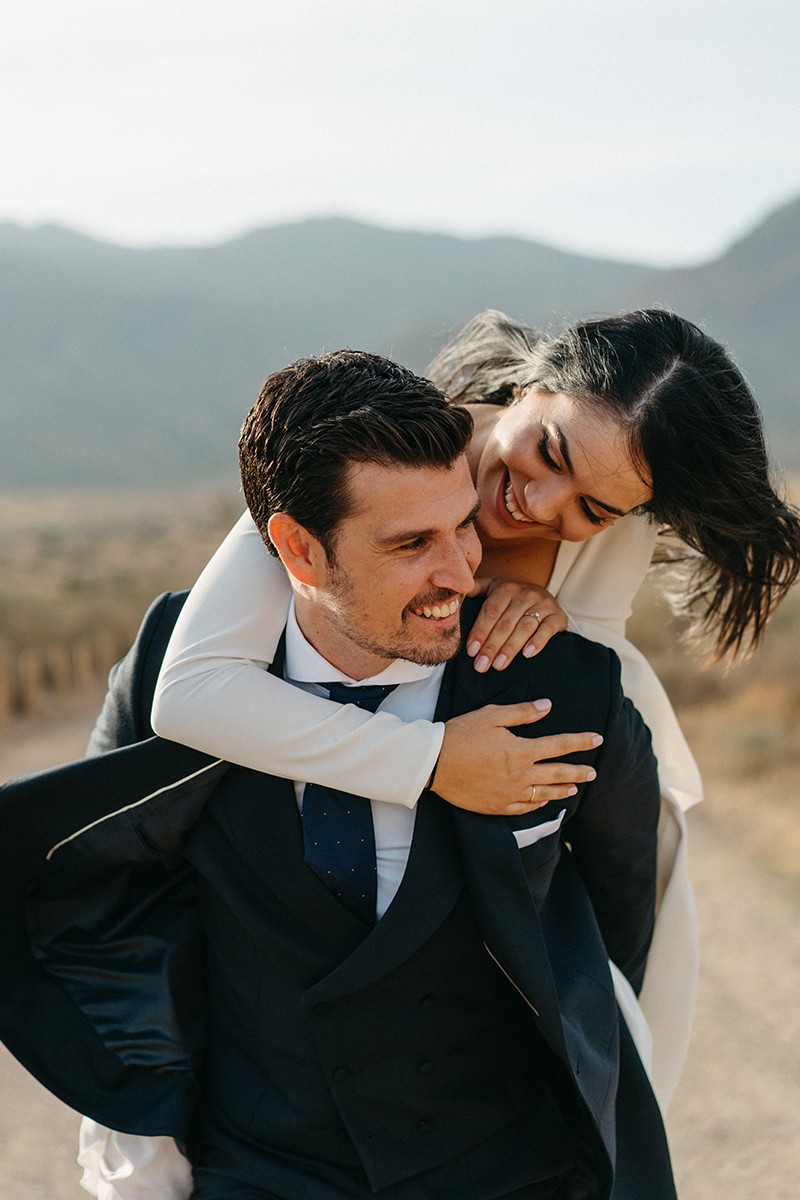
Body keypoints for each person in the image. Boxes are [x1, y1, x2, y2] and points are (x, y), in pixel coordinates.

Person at [1, 350, 674, 1199]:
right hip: (257, 1168)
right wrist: (143, 1143)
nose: (464, 572)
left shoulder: (563, 684)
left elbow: (615, 921)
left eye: (464, 525)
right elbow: (115, 896)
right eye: (412, 544)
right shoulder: (183, 656)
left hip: (510, 1171)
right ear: (297, 550)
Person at [149, 307, 800, 1108]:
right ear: (531, 384)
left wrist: (550, 615)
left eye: (593, 510)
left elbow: (583, 681)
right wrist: (430, 762)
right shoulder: (372, 461)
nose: (543, 502)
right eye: (550, 452)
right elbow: (190, 693)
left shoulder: (611, 527)